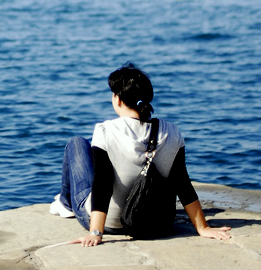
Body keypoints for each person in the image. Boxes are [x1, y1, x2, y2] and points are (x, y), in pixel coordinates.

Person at [49, 63, 231, 246]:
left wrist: (95, 232)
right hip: (157, 223)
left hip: (112, 225)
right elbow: (182, 183)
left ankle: (65, 203)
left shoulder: (105, 131)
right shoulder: (172, 132)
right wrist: (202, 227)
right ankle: (66, 203)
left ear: (117, 99)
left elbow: (102, 185)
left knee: (77, 143)